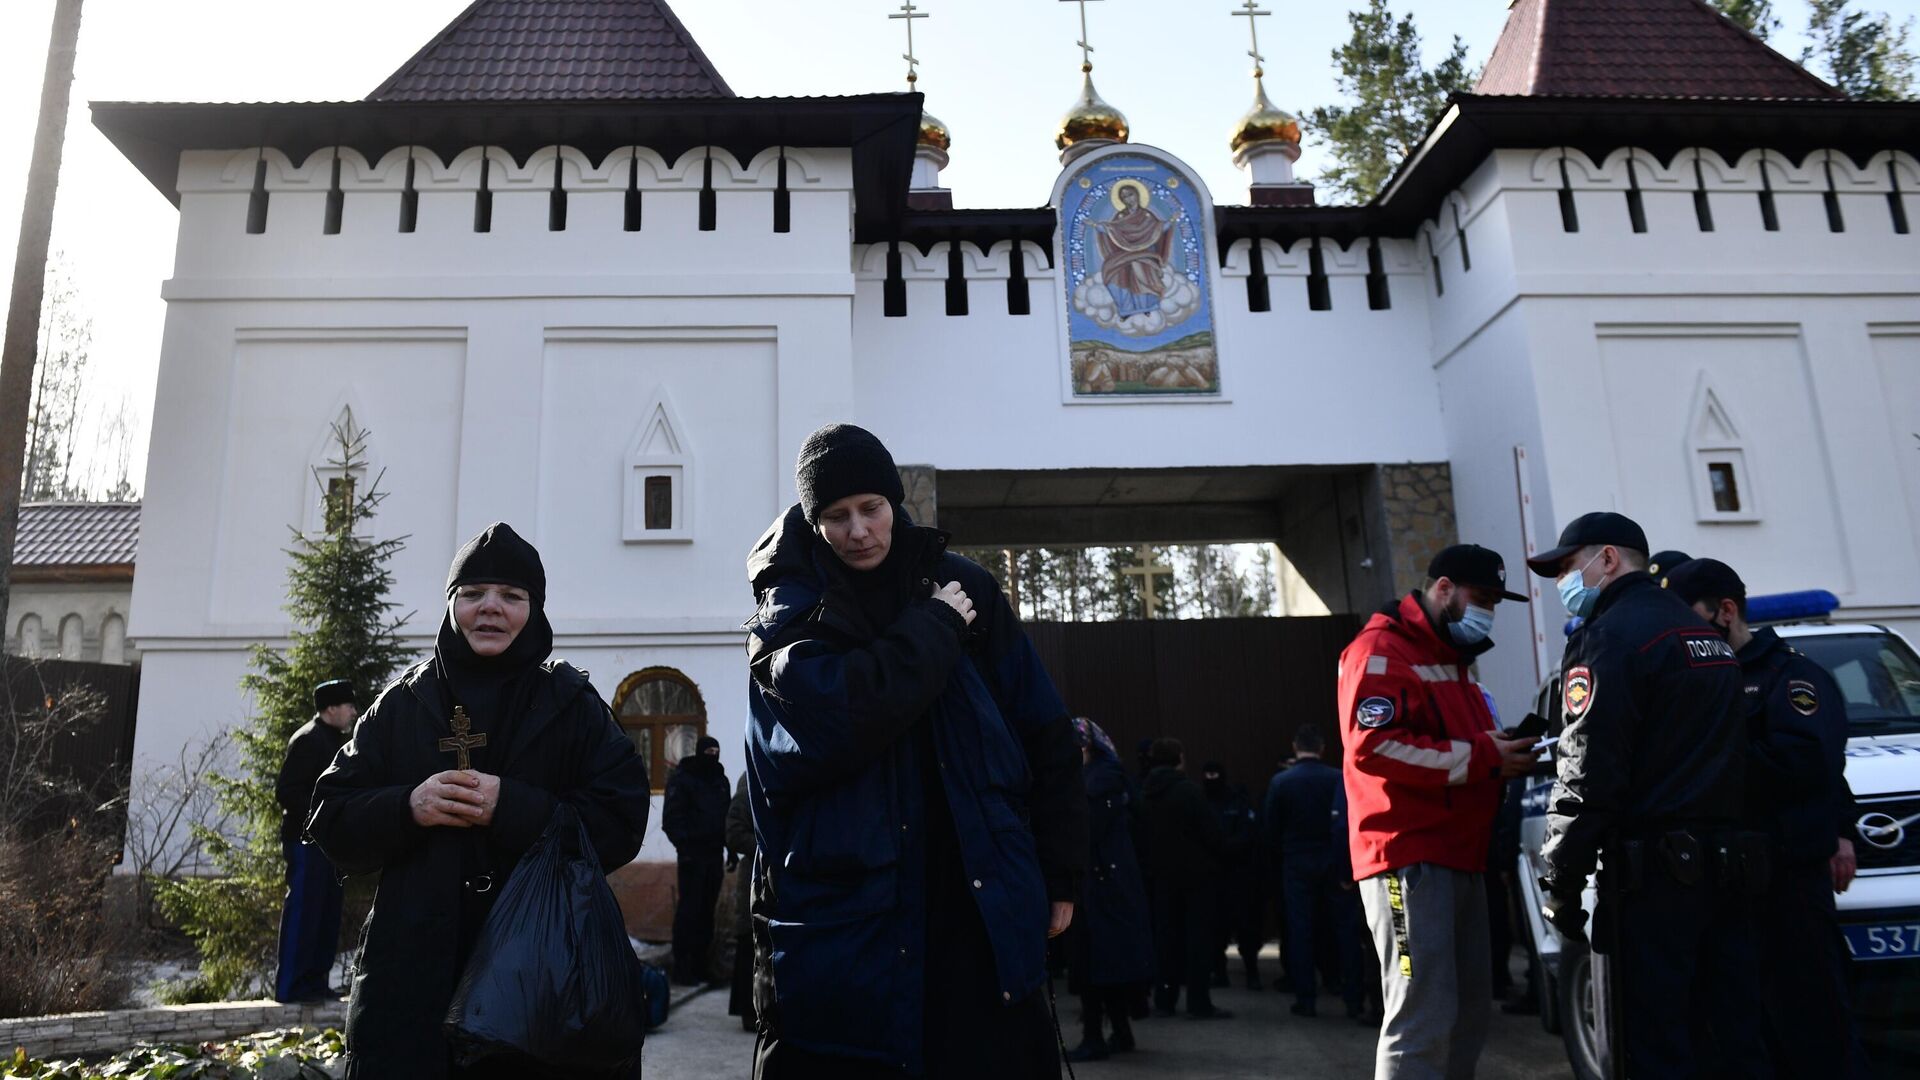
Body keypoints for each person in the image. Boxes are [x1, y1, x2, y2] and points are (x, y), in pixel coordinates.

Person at [743, 423, 1087, 1079]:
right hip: (849, 922)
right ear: (814, 522)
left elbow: (1044, 730)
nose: (857, 531)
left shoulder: (967, 588)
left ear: (895, 502)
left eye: (870, 509)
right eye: (835, 517)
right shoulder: (789, 613)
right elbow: (838, 721)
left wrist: (1062, 870)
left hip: (975, 906)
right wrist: (933, 628)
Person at [307, 523, 651, 1079]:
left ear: (534, 610)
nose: (490, 609)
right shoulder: (403, 703)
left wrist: (512, 807)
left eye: (511, 597)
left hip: (541, 983)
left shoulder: (571, 705)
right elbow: (331, 815)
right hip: (414, 985)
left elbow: (622, 819)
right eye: (472, 594)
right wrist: (406, 807)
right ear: (450, 605)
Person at [1526, 513, 1772, 1079]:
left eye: (1568, 566)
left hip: (1657, 884)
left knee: (1654, 1047)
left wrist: (1559, 882)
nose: (1564, 581)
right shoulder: (1704, 637)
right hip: (1731, 875)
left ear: (1607, 559)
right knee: (1732, 1041)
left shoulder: (1607, 638)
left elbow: (1586, 774)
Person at [1336, 543, 1537, 1079]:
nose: (1489, 611)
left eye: (1496, 600)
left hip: (1459, 854)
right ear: (1443, 589)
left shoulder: (1452, 660)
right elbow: (1372, 747)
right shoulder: (1382, 650)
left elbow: (1461, 746)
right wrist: (1482, 756)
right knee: (1422, 1016)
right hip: (1408, 856)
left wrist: (1501, 753)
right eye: (1483, 597)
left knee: (1467, 1015)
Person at [1663, 557, 1868, 1077]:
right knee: (1744, 1036)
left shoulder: (1791, 677)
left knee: (1814, 1029)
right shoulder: (1699, 682)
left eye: (1686, 619)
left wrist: (1709, 755)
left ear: (1725, 611)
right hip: (1726, 888)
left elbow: (1808, 765)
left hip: (1788, 884)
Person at [1064, 717, 1154, 1062]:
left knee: (1093, 964)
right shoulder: (1110, 778)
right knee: (1106, 964)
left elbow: (1085, 832)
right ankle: (1118, 1031)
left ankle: (1096, 1036)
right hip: (1109, 886)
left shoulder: (1096, 782)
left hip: (1099, 888)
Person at [273, 678, 357, 1003]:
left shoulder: (334, 740)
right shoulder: (308, 740)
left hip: (327, 844)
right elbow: (287, 791)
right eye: (348, 705)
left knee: (325, 913)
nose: (353, 711)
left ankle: (315, 982)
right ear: (331, 708)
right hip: (306, 842)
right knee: (305, 911)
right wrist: (323, 813)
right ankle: (292, 986)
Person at [1140, 737, 1234, 1020]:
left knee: (1166, 939)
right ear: (1179, 758)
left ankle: (1165, 998)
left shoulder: (1144, 792)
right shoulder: (1189, 791)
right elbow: (1212, 833)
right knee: (1198, 940)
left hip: (1161, 876)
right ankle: (1198, 1000)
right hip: (1196, 877)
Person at [1263, 726, 1350, 1018]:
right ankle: (1351, 995)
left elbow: (1271, 830)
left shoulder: (1281, 782)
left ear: (1295, 746)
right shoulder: (1337, 778)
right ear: (1322, 747)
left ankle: (1306, 998)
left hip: (1296, 861)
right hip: (1332, 859)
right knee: (1343, 928)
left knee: (1300, 930)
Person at [664, 734, 730, 985]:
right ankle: (683, 968)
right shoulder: (683, 780)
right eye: (708, 752)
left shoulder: (720, 781)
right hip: (693, 858)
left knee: (706, 915)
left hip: (714, 857)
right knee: (689, 914)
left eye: (716, 752)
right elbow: (672, 820)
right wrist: (686, 848)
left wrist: (730, 850)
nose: (712, 757)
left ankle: (702, 967)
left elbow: (725, 818)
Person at [1203, 760, 1263, 992]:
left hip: (1238, 875)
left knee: (1246, 929)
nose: (1211, 778)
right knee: (1217, 930)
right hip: (1217, 875)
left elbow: (1249, 836)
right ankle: (1220, 971)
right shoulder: (1204, 801)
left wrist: (1223, 847)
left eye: (1214, 774)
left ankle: (1251, 972)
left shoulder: (1237, 802)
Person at [725, 770, 758, 1031]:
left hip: (783, 878)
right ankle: (749, 1011)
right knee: (750, 943)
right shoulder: (749, 782)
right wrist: (765, 849)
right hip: (754, 879)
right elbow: (734, 832)